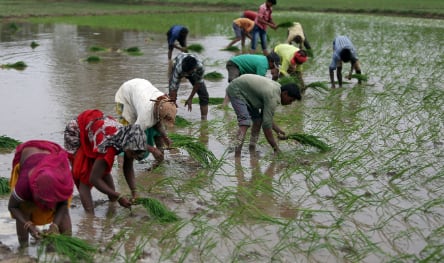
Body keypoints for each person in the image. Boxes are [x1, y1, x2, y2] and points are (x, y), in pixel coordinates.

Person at [64, 109, 153, 214]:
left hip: (95, 130)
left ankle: (112, 205)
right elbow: (94, 179)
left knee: (102, 169)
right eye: (132, 153)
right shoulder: (108, 146)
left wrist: (134, 192)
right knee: (84, 177)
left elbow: (128, 168)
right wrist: (118, 196)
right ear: (127, 145)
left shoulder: (129, 139)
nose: (132, 156)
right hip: (77, 132)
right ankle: (90, 218)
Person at [8, 140, 74, 247]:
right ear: (34, 190)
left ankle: (68, 245)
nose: (44, 205)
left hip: (52, 154)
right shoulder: (24, 185)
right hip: (30, 155)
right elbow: (12, 207)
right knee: (24, 208)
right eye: (41, 199)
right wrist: (28, 225)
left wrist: (55, 225)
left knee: (63, 212)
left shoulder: (60, 184)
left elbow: (63, 204)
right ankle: (23, 248)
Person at [226, 74, 302, 157]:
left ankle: (252, 147)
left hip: (248, 93)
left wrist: (278, 131)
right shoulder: (273, 97)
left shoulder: (277, 90)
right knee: (245, 122)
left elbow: (266, 118)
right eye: (291, 100)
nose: (290, 103)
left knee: (258, 121)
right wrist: (276, 148)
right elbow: (266, 126)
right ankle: (237, 155)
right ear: (285, 93)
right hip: (237, 90)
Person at [115, 78, 177, 168]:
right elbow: (132, 137)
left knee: (157, 131)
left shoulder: (164, 101)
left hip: (139, 88)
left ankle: (158, 166)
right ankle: (121, 169)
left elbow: (158, 123)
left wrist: (165, 137)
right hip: (123, 98)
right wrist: (152, 149)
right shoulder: (145, 118)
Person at [169, 53, 209, 120]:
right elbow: (173, 88)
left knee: (204, 95)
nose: (186, 75)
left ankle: (204, 120)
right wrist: (173, 101)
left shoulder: (200, 67)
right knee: (171, 97)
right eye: (185, 73)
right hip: (178, 65)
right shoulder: (178, 68)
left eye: (188, 73)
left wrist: (190, 98)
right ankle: (171, 117)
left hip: (193, 72)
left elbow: (198, 84)